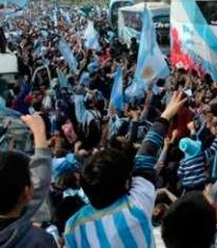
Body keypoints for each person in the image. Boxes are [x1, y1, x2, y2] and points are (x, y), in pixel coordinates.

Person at [63, 92, 187, 247]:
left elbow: (144, 158)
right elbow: (145, 156)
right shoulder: (137, 208)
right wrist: (166, 115)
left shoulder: (72, 228)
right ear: (126, 184)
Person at [0, 115, 55, 247]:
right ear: (27, 192)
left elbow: (40, 181)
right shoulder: (41, 241)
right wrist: (39, 132)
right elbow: (41, 182)